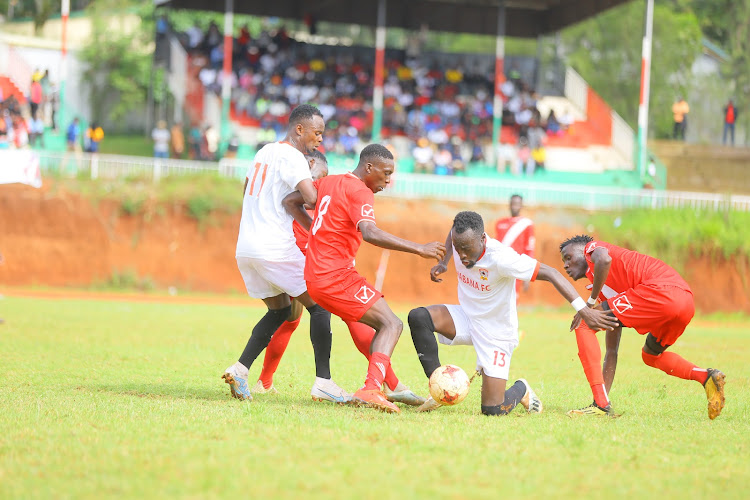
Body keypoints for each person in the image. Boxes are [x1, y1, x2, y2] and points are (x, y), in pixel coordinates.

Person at [253, 149, 425, 407]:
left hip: (315, 278)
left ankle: (391, 385)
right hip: (336, 277)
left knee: (366, 324)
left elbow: (290, 201)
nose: (388, 181)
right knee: (391, 324)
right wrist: (419, 249)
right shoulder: (361, 192)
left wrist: (314, 232)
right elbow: (369, 232)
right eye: (386, 173)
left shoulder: (329, 182)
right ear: (369, 167)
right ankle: (371, 388)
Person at [408, 211, 618, 415]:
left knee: (493, 409)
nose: (461, 255)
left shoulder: (501, 258)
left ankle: (522, 389)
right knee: (418, 317)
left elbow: (552, 273)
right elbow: (452, 233)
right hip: (466, 317)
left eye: (466, 249)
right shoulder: (460, 239)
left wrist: (584, 310)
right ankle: (438, 390)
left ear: (482, 239)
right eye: (458, 247)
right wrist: (444, 262)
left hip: (496, 333)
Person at [222, 104, 347, 404]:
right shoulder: (293, 156)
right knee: (320, 305)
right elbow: (312, 197)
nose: (320, 140)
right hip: (273, 246)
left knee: (280, 311)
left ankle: (240, 370)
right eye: (317, 133)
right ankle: (324, 383)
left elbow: (247, 190)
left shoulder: (264, 152)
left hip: (247, 247)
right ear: (299, 129)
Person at [559, 235, 726, 419]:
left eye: (568, 257)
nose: (566, 265)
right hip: (685, 301)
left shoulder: (593, 248)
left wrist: (588, 305)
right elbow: (612, 350)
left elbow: (604, 259)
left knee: (584, 323)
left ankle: (600, 405)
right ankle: (706, 377)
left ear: (583, 251)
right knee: (651, 356)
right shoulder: (606, 286)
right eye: (563, 261)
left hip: (660, 290)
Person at [495, 195, 535, 302]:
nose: (514, 207)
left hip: (515, 266)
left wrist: (528, 274)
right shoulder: (500, 223)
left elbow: (529, 248)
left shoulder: (527, 224)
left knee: (512, 299)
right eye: (512, 204)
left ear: (521, 206)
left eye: (517, 204)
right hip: (499, 265)